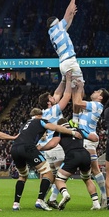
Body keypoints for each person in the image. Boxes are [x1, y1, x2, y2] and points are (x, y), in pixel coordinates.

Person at [11, 108, 82, 211]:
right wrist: (72, 133)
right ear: (40, 115)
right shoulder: (40, 121)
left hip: (14, 148)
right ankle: (40, 201)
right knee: (48, 173)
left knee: (22, 175)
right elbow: (55, 127)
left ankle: (16, 204)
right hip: (27, 147)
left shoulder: (25, 124)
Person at [39, 118, 101, 210]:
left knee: (59, 180)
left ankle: (65, 194)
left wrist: (41, 148)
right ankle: (96, 203)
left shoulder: (59, 131)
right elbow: (94, 138)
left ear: (59, 126)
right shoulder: (78, 129)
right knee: (87, 179)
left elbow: (53, 144)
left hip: (72, 156)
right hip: (85, 154)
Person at [46, 0, 85, 125]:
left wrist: (72, 15)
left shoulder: (54, 32)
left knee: (66, 88)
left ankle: (51, 112)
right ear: (55, 23)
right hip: (69, 62)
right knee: (79, 90)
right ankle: (76, 120)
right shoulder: (56, 28)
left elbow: (68, 22)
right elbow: (67, 14)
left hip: (63, 63)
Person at [38, 73, 73, 207]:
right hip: (57, 146)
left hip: (48, 148)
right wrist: (68, 80)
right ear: (49, 102)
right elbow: (66, 96)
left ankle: (42, 199)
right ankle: (53, 198)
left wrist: (63, 79)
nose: (54, 97)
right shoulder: (53, 110)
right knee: (61, 176)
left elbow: (57, 93)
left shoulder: (44, 112)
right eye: (51, 98)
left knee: (50, 176)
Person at [73, 85, 109, 206]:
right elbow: (77, 102)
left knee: (93, 169)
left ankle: (104, 196)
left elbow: (77, 102)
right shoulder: (91, 106)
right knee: (91, 170)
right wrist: (79, 87)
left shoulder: (96, 105)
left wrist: (79, 87)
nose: (94, 91)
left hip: (88, 138)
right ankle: (103, 197)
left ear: (100, 97)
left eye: (97, 91)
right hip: (85, 138)